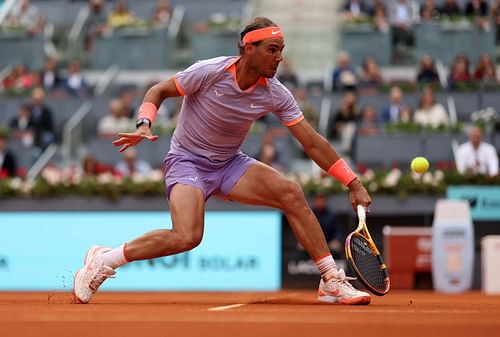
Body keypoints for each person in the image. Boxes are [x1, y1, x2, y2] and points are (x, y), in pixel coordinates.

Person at [73, 17, 372, 306]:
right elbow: (158, 90)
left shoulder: (276, 93)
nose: (279, 57)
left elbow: (312, 142)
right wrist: (144, 123)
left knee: (291, 193)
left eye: (281, 50)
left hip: (230, 164)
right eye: (272, 49)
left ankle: (330, 280)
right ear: (249, 49)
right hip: (187, 161)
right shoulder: (210, 71)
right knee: (187, 236)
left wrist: (352, 182)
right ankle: (103, 260)